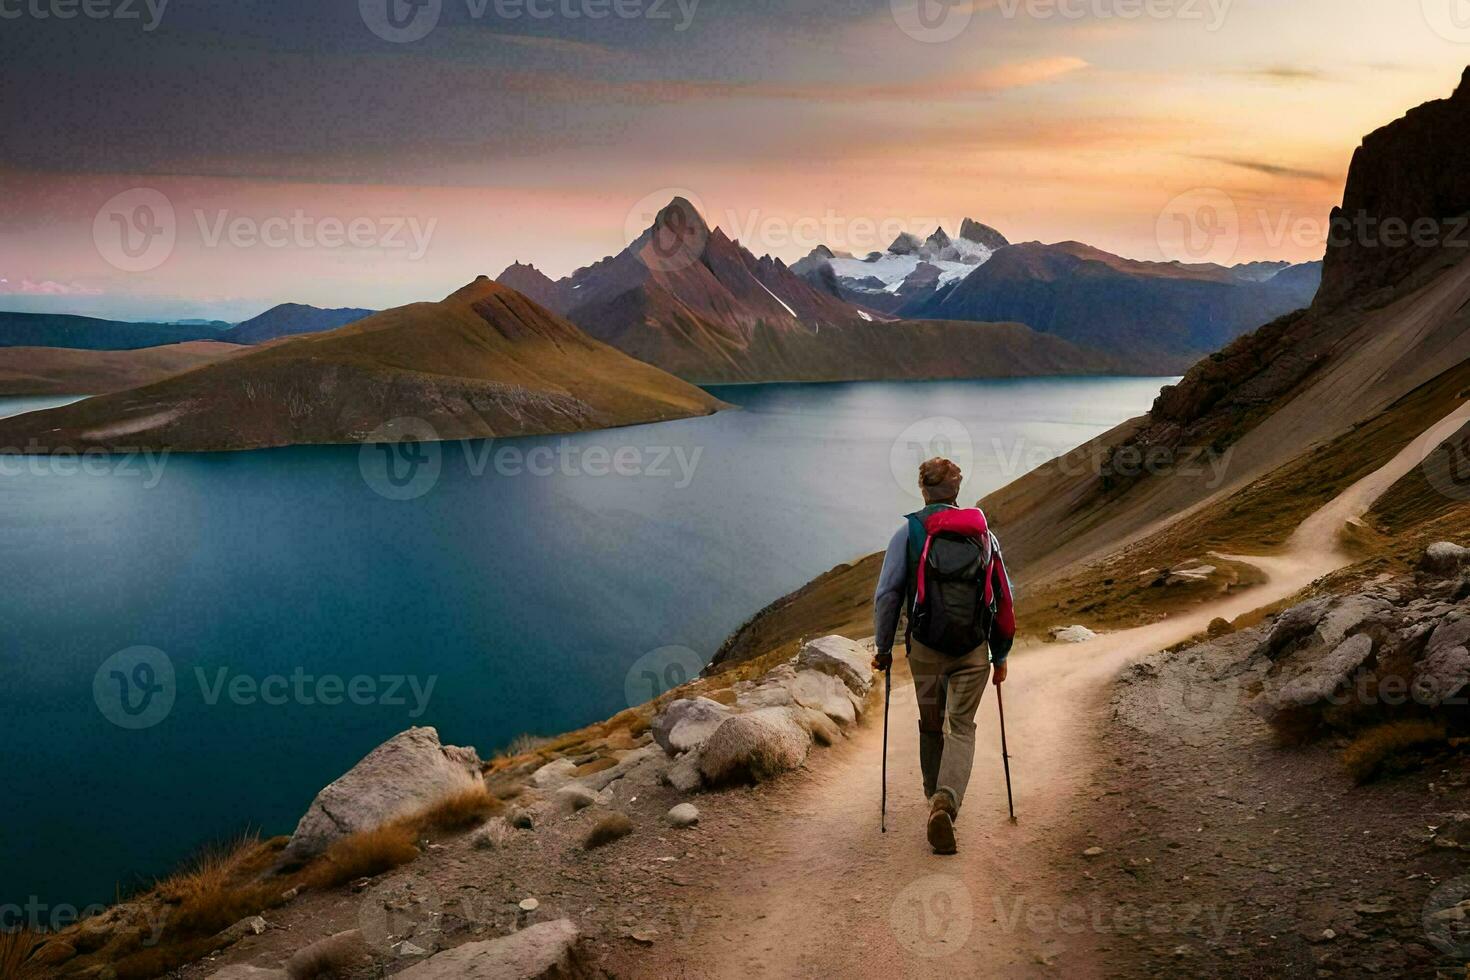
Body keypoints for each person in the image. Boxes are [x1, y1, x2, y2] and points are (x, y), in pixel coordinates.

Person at [871, 457, 1016, 854]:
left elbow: (887, 596)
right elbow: (1003, 595)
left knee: (932, 725)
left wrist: (882, 648)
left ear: (923, 490)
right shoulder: (983, 534)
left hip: (926, 651)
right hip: (973, 650)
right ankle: (945, 803)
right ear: (956, 490)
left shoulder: (909, 533)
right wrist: (1000, 653)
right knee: (963, 726)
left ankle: (933, 798)